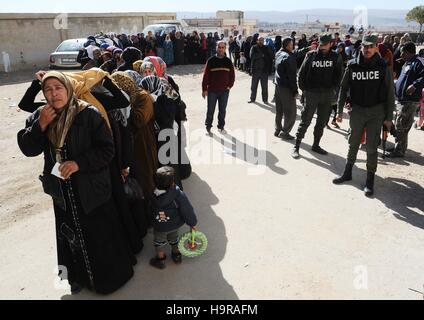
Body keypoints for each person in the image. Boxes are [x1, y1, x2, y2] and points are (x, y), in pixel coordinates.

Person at [17, 71, 134, 294]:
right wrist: (39, 126)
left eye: (58, 88)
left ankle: (109, 280)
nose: (53, 94)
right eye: (48, 89)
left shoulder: (87, 113)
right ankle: (76, 277)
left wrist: (78, 163)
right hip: (61, 192)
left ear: (68, 88)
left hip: (92, 190)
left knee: (100, 235)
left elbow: (107, 150)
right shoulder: (40, 116)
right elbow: (28, 149)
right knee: (69, 235)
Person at [333, 34, 395, 197]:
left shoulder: (383, 67)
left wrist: (389, 117)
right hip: (358, 111)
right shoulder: (353, 66)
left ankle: (369, 180)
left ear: (376, 48)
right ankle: (347, 172)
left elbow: (390, 93)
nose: (367, 49)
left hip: (376, 112)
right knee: (353, 142)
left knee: (371, 146)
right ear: (361, 47)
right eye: (365, 46)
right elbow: (343, 88)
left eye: (371, 46)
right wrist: (339, 111)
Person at [291, 33, 344, 159]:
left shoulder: (336, 57)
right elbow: (301, 74)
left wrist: (333, 90)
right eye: (321, 44)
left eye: (325, 45)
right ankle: (297, 146)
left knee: (321, 123)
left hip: (326, 95)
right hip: (312, 93)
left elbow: (339, 76)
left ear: (331, 44)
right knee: (305, 121)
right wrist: (305, 91)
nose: (322, 47)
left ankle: (316, 145)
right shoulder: (311, 55)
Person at [149, 166, 197, 269]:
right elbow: (186, 209)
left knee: (159, 241)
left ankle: (160, 259)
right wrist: (192, 222)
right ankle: (176, 255)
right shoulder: (178, 195)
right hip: (174, 224)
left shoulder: (153, 195)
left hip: (159, 226)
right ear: (172, 183)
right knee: (174, 238)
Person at [387, 42, 424, 158]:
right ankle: (400, 147)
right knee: (401, 125)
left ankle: (399, 151)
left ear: (409, 52)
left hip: (409, 100)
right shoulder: (407, 62)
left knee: (401, 125)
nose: (401, 54)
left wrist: (415, 85)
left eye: (403, 52)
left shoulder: (418, 62)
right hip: (402, 99)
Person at [202, 41, 235, 136]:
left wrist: (229, 86)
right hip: (212, 91)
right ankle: (208, 127)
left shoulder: (228, 61)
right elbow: (206, 76)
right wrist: (204, 89)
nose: (221, 49)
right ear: (216, 48)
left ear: (225, 48)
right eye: (219, 47)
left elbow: (232, 75)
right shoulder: (211, 60)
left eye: (223, 47)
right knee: (210, 110)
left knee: (222, 110)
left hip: (224, 91)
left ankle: (221, 127)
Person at [274, 37, 303, 140]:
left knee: (279, 110)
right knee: (291, 112)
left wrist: (308, 49)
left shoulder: (279, 53)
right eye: (292, 44)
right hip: (286, 88)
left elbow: (295, 53)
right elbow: (292, 77)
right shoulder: (289, 58)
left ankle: (277, 129)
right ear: (288, 46)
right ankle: (285, 132)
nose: (293, 45)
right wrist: (295, 91)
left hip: (278, 86)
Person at [248, 37, 272, 104]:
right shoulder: (254, 47)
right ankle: (252, 99)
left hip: (264, 71)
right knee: (253, 87)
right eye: (260, 40)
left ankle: (265, 100)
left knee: (264, 87)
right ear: (257, 40)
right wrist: (261, 55)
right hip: (256, 71)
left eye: (262, 40)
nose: (261, 41)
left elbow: (269, 57)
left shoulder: (266, 48)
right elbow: (251, 56)